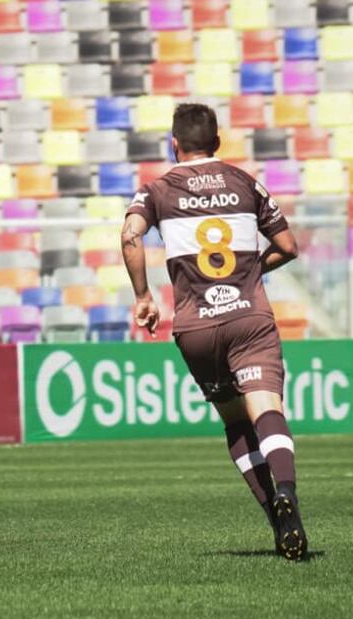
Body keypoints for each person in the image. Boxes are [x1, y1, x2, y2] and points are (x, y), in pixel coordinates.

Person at [120, 103, 307, 561]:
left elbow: (129, 236)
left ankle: (275, 518)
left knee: (235, 421)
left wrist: (143, 296)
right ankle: (287, 494)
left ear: (174, 144)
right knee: (267, 410)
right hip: (249, 319)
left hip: (196, 328)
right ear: (217, 142)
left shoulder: (156, 190)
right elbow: (288, 246)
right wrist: (251, 272)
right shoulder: (245, 182)